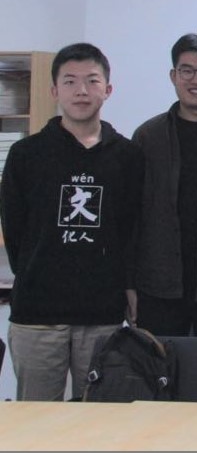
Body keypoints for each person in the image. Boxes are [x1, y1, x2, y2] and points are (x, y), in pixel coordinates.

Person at [2, 43, 143, 401]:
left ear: (108, 89)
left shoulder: (128, 156)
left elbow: (131, 230)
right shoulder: (26, 154)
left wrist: (128, 287)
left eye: (92, 81)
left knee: (100, 414)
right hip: (37, 313)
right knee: (36, 417)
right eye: (70, 81)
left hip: (102, 313)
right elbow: (15, 230)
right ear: (54, 91)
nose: (82, 91)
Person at [131, 32, 197, 337]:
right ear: (174, 76)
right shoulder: (148, 136)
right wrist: (128, 283)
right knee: (157, 364)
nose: (196, 80)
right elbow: (131, 215)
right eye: (187, 70)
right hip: (158, 284)